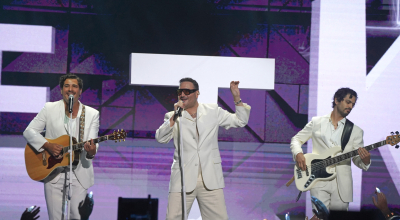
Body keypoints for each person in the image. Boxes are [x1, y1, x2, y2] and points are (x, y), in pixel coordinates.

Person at [155, 77, 251, 220]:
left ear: (197, 93)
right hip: (182, 178)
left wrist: (236, 98)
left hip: (210, 177)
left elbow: (240, 121)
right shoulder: (173, 116)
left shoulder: (212, 111)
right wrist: (175, 116)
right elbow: (160, 138)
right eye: (180, 91)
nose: (182, 94)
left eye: (187, 91)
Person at [23, 74, 99, 220]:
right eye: (66, 86)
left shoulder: (91, 114)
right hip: (52, 172)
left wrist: (91, 152)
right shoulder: (49, 108)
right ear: (61, 89)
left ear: (80, 91)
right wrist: (48, 145)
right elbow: (29, 131)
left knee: (76, 217)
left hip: (79, 172)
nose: (70, 89)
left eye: (74, 86)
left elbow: (93, 142)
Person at [290, 88, 371, 211]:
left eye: (353, 104)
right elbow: (296, 140)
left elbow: (357, 159)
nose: (350, 106)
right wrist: (298, 153)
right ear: (337, 100)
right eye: (348, 102)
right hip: (318, 179)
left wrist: (365, 160)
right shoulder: (317, 122)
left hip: (342, 184)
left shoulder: (356, 131)